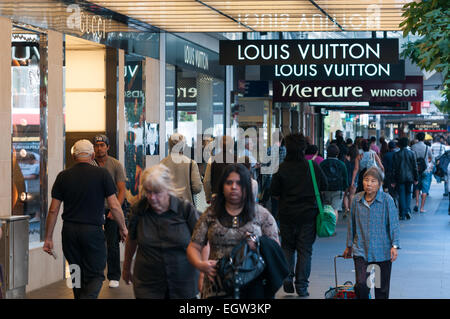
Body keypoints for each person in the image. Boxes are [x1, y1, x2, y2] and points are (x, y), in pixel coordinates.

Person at [43, 139, 128, 299]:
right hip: (92, 232)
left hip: (69, 232)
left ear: (74, 156)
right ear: (92, 155)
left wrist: (48, 238)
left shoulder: (63, 176)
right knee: (95, 274)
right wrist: (123, 228)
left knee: (75, 270)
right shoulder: (102, 174)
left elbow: (53, 210)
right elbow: (115, 206)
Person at [187, 164, 279, 299]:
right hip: (216, 285)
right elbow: (194, 247)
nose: (234, 187)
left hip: (252, 285)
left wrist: (258, 243)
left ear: (247, 187)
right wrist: (200, 265)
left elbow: (275, 248)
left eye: (239, 183)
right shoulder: (210, 215)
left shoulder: (262, 215)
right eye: (229, 182)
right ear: (222, 187)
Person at [122, 164, 200, 299]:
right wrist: (126, 267)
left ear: (168, 189)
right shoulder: (138, 210)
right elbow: (132, 239)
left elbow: (203, 241)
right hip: (148, 284)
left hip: (182, 282)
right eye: (148, 191)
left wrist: (204, 271)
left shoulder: (185, 210)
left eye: (157, 192)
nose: (152, 197)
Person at [270, 133, 328, 297]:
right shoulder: (312, 166)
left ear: (287, 148)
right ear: (303, 148)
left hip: (287, 214)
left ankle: (287, 277)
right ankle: (302, 286)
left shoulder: (282, 168)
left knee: (287, 247)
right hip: (308, 215)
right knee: (305, 250)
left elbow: (274, 193)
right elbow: (325, 184)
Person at [343, 167, 400, 299]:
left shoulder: (387, 200)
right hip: (361, 250)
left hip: (382, 251)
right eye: (366, 180)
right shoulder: (357, 200)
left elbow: (394, 225)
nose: (369, 184)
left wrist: (394, 246)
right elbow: (351, 224)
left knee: (381, 289)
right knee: (362, 285)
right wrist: (349, 245)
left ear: (380, 184)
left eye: (373, 181)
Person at [92, 134, 127, 289]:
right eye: (97, 145)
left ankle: (114, 275)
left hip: (111, 208)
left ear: (108, 147)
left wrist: (115, 209)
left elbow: (121, 190)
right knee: (94, 242)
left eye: (102, 145)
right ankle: (95, 273)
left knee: (112, 243)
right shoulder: (90, 164)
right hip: (93, 209)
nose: (99, 148)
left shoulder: (116, 164)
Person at [161, 133, 202, 205]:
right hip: (186, 206)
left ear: (170, 145)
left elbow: (159, 186)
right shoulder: (191, 163)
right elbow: (197, 188)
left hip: (167, 204)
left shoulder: (162, 163)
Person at [391, 137, 419, 220]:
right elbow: (415, 167)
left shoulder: (396, 154)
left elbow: (394, 169)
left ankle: (402, 213)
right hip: (410, 177)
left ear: (399, 145)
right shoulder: (412, 153)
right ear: (407, 144)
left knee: (401, 195)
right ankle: (407, 211)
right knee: (408, 194)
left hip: (400, 177)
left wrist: (393, 180)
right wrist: (416, 178)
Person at [203, 135, 236, 204]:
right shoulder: (237, 160)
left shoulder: (212, 160)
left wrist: (208, 197)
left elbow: (207, 181)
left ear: (220, 145)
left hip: (216, 197)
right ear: (231, 145)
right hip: (232, 196)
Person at [320, 144, 349, 219]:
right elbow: (345, 178)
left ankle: (327, 228)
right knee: (335, 209)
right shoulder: (341, 164)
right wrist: (345, 188)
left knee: (327, 209)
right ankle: (333, 229)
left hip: (326, 189)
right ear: (337, 153)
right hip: (338, 189)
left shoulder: (323, 163)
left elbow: (319, 177)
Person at [411, 132, 433, 213]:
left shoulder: (413, 147)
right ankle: (422, 208)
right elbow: (432, 158)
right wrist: (429, 164)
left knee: (417, 187)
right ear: (424, 138)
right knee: (424, 189)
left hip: (416, 169)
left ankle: (416, 203)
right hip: (425, 170)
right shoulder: (427, 148)